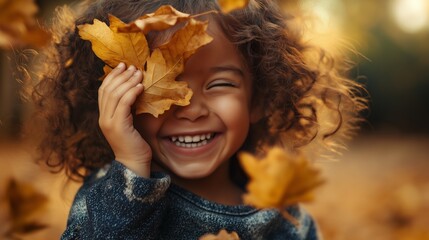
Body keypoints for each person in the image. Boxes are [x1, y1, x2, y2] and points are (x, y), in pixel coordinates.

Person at [26, 0, 365, 239]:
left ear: (259, 99)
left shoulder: (284, 217)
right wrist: (131, 168)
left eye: (219, 84)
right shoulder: (110, 198)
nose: (189, 107)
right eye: (159, 86)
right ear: (117, 103)